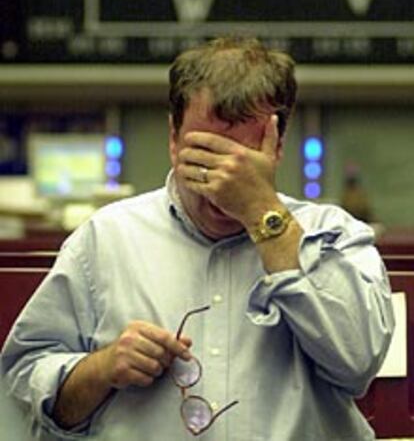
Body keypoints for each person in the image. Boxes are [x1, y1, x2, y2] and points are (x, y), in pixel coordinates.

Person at [1, 37, 394, 440]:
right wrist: (102, 368)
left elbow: (357, 363)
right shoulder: (105, 239)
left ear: (277, 146)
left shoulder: (335, 236)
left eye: (241, 160)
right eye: (204, 155)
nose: (222, 183)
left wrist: (264, 214)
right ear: (173, 137)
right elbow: (24, 381)